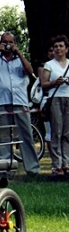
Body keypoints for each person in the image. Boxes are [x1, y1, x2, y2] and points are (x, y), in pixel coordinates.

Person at [0, 31, 40, 175]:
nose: (7, 45)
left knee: (26, 135)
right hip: (0, 102)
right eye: (4, 42)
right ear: (0, 43)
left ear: (15, 44)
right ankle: (5, 169)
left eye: (10, 42)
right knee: (3, 136)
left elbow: (30, 72)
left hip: (20, 101)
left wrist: (19, 53)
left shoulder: (20, 59)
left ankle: (32, 169)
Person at [40, 35, 69, 176]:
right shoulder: (49, 65)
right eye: (56, 46)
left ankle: (66, 163)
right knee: (56, 131)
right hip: (55, 98)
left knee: (67, 133)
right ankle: (56, 165)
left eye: (61, 46)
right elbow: (43, 84)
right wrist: (54, 82)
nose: (58, 49)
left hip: (68, 98)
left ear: (66, 49)